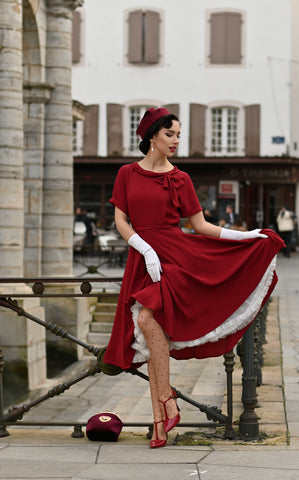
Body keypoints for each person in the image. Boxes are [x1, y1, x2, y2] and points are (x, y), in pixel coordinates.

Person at [102, 107, 285, 449]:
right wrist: (144, 248)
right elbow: (121, 221)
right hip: (144, 258)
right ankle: (162, 418)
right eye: (170, 134)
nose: (175, 141)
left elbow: (200, 226)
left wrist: (245, 237)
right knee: (147, 327)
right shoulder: (127, 173)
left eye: (178, 135)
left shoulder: (181, 179)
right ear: (152, 135)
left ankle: (166, 406)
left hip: (176, 257)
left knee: (146, 318)